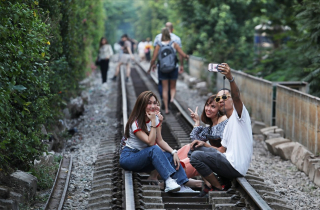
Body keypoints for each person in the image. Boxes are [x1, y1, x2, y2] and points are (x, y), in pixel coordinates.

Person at [190, 63, 253, 195]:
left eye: (225, 97)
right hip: (227, 160)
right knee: (195, 149)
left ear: (231, 100)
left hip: (235, 166)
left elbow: (236, 96)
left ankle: (218, 187)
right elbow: (221, 150)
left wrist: (230, 78)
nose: (221, 100)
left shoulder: (240, 116)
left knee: (196, 156)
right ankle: (216, 183)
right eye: (218, 98)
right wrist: (205, 144)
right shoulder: (228, 124)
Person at [119, 91, 191, 193]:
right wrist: (153, 121)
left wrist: (174, 152)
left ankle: (181, 184)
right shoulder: (135, 123)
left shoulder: (154, 119)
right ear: (142, 104)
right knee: (153, 149)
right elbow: (151, 143)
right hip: (130, 158)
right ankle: (169, 180)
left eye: (154, 103)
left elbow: (160, 140)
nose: (152, 106)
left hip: (144, 158)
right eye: (149, 103)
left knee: (169, 156)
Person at [178, 94, 228, 179]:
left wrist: (205, 145)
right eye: (207, 105)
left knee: (195, 157)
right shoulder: (210, 127)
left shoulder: (224, 122)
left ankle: (176, 173)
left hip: (221, 160)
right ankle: (170, 165)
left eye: (213, 106)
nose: (208, 109)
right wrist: (197, 122)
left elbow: (222, 151)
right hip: (212, 156)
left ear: (219, 109)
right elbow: (195, 140)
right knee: (188, 147)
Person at [148, 28, 188, 114]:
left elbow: (153, 58)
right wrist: (186, 57)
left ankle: (166, 108)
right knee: (172, 87)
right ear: (170, 34)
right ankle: (172, 98)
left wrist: (150, 68)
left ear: (162, 35)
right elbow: (182, 53)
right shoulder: (174, 44)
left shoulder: (159, 45)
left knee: (165, 89)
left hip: (162, 69)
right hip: (173, 68)